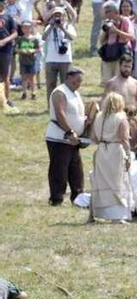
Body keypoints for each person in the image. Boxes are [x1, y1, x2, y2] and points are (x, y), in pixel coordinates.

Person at [45, 67, 90, 206]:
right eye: (77, 80)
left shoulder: (75, 93)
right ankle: (56, 198)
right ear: (68, 77)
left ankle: (78, 197)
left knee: (76, 170)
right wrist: (69, 132)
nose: (79, 83)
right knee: (59, 169)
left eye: (80, 81)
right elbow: (60, 114)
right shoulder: (60, 92)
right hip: (60, 138)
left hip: (73, 140)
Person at [89, 92, 132, 223]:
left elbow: (94, 138)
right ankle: (117, 216)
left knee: (99, 181)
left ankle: (94, 213)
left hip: (102, 150)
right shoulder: (121, 118)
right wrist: (129, 155)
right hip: (115, 151)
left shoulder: (98, 117)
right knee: (117, 182)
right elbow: (124, 139)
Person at [104, 55, 137, 151]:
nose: (127, 69)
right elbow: (105, 104)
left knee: (134, 147)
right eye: (125, 66)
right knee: (120, 148)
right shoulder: (112, 83)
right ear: (120, 66)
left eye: (129, 67)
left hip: (132, 119)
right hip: (117, 121)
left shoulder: (134, 83)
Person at [42, 6, 76, 101]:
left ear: (64, 16)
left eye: (59, 15)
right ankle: (51, 105)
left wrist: (62, 28)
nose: (58, 18)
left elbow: (72, 37)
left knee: (66, 84)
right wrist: (51, 26)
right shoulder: (49, 27)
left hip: (65, 60)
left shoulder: (69, 27)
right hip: (51, 60)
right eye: (55, 15)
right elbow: (43, 38)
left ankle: (66, 104)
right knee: (50, 84)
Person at [97, 1, 134, 86]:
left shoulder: (125, 20)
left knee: (118, 79)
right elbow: (101, 41)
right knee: (107, 79)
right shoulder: (108, 22)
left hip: (120, 53)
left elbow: (131, 36)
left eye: (107, 12)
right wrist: (106, 31)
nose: (105, 14)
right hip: (109, 52)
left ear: (114, 12)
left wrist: (116, 31)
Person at [15, 20, 39, 100]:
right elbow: (16, 49)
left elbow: (38, 49)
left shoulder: (34, 39)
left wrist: (32, 51)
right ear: (22, 29)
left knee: (32, 78)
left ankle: (33, 92)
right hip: (23, 61)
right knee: (24, 77)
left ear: (31, 28)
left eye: (28, 27)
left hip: (32, 61)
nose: (27, 29)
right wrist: (22, 51)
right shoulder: (20, 39)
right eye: (24, 28)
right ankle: (24, 92)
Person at [0, 0, 17, 107]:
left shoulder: (9, 17)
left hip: (5, 50)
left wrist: (4, 41)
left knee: (5, 76)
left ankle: (7, 99)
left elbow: (15, 33)